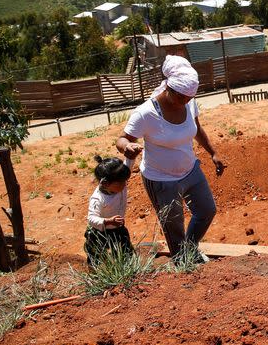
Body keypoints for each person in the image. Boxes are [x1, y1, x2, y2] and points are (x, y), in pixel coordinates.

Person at [116, 55, 225, 262]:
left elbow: (197, 128)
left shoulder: (188, 103)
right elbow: (122, 139)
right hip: (161, 180)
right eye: (181, 97)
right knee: (174, 227)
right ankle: (181, 263)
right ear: (168, 88)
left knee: (206, 211)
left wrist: (213, 152)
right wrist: (127, 147)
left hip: (190, 171)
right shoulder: (146, 113)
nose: (185, 102)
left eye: (189, 98)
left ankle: (189, 249)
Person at [85, 156, 134, 268]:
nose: (125, 185)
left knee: (124, 252)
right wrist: (107, 221)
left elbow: (127, 167)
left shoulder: (119, 184)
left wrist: (132, 156)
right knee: (96, 255)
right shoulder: (98, 199)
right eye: (121, 183)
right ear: (106, 183)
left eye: (125, 181)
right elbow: (91, 218)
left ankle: (125, 269)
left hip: (118, 228)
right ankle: (95, 273)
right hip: (100, 232)